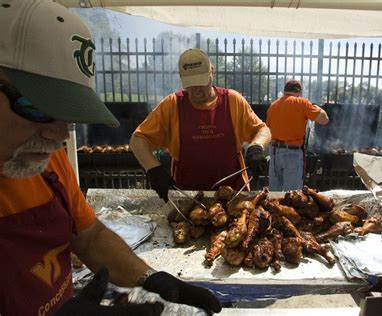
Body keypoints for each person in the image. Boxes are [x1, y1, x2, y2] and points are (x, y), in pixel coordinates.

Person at [0, 1, 221, 315]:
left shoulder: (46, 160)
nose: (60, 136)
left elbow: (89, 237)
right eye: (39, 108)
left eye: (69, 116)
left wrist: (150, 277)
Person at [130, 48, 271, 201]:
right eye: (191, 84)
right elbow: (138, 140)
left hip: (235, 194)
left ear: (212, 72)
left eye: (201, 83)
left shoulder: (232, 100)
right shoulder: (172, 104)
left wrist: (256, 147)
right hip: (188, 197)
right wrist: (153, 168)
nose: (196, 90)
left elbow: (262, 130)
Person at [266, 80, 329, 191]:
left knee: (274, 196)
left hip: (274, 153)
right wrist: (316, 107)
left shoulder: (273, 106)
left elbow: (268, 129)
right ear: (298, 92)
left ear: (285, 91)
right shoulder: (302, 103)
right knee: (292, 195)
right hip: (292, 154)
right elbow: (324, 120)